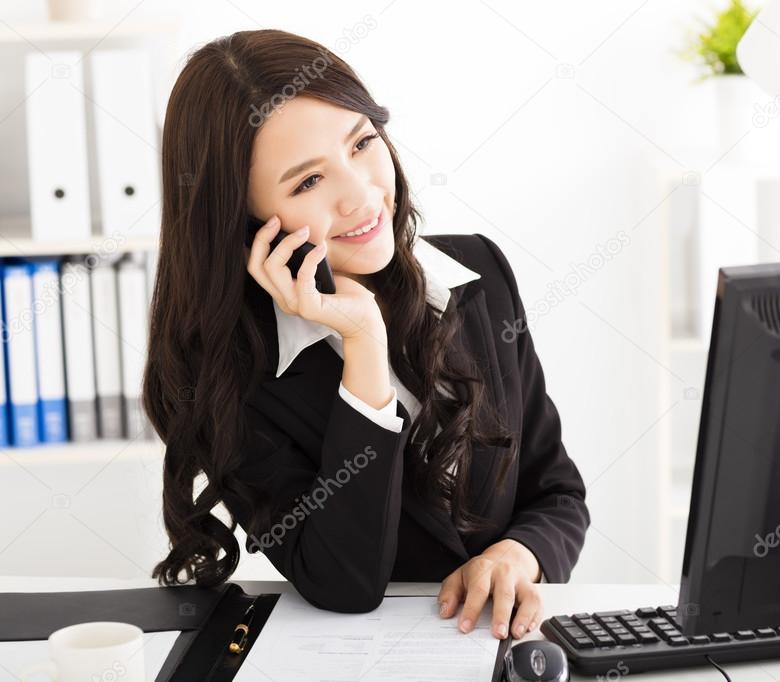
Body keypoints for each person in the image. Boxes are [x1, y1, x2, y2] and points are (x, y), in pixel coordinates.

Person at [142, 29, 590, 641]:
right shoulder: (231, 375)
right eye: (306, 182)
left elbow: (556, 489)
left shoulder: (478, 275)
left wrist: (517, 554)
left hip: (497, 647)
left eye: (361, 143)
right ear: (244, 218)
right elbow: (343, 581)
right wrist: (363, 342)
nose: (360, 196)